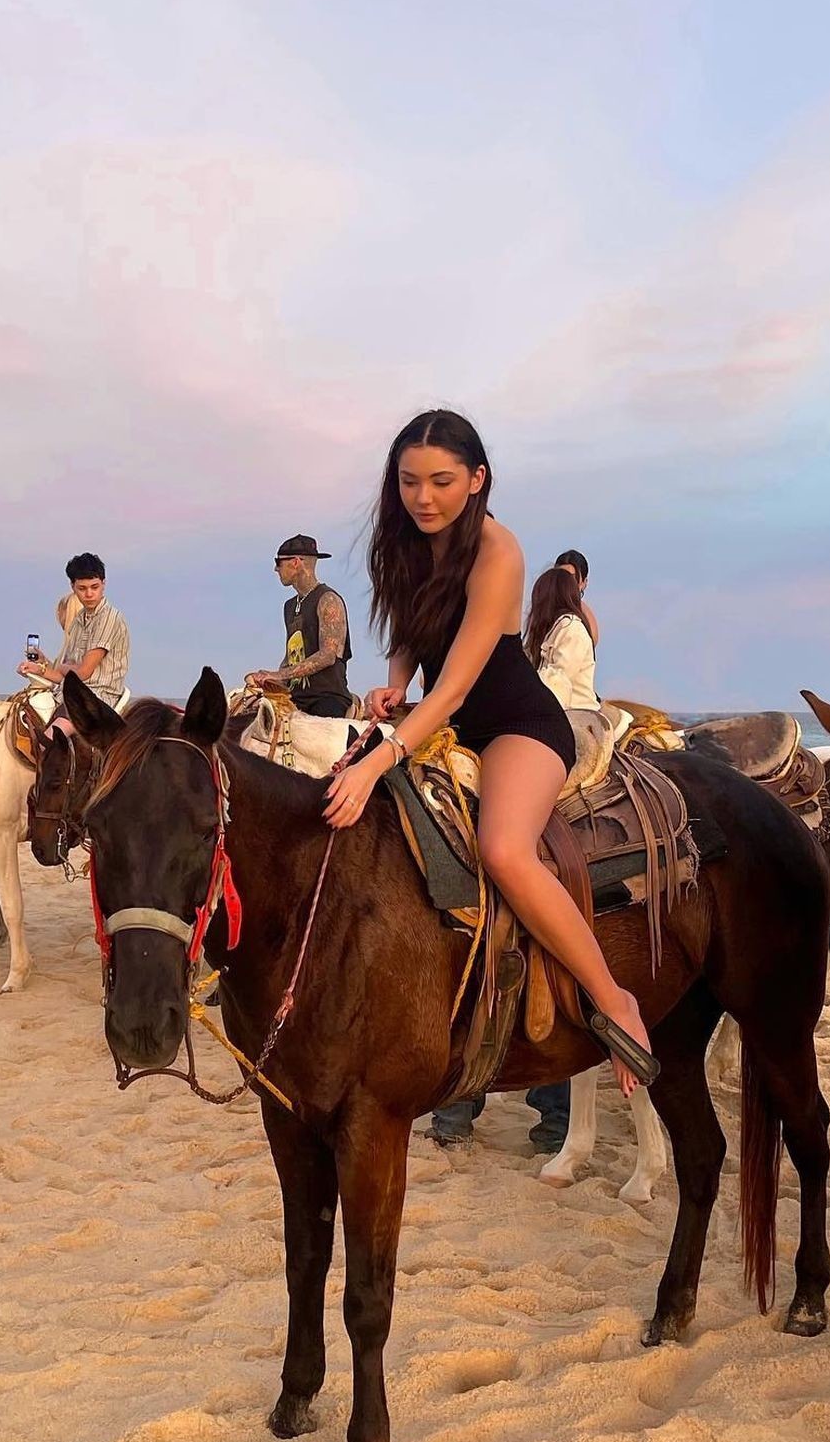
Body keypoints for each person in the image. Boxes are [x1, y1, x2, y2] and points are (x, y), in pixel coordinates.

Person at [323, 409, 656, 1110]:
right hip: (443, 720)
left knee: (504, 850)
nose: (423, 497)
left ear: (477, 479)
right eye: (409, 481)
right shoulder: (409, 540)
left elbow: (456, 686)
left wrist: (380, 757)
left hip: (515, 724)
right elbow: (412, 631)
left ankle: (612, 997)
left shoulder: (498, 551)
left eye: (442, 482)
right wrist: (394, 683)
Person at [248, 535, 354, 717]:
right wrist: (268, 679)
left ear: (296, 562)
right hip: (295, 698)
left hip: (326, 698)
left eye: (279, 562)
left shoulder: (328, 599)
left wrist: (279, 675)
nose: (276, 568)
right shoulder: (289, 606)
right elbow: (292, 655)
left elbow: (328, 655)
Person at [19, 553, 131, 714]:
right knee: (24, 713)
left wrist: (62, 668)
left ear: (103, 584)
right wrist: (40, 667)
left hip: (98, 698)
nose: (89, 594)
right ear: (73, 587)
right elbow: (66, 677)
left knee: (53, 726)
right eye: (82, 588)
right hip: (71, 694)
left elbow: (83, 673)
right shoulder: (79, 620)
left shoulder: (109, 618)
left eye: (94, 587)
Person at [527, 562, 600, 712]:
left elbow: (559, 682)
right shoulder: (549, 630)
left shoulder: (571, 628)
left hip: (576, 712)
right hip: (555, 710)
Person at [554, 549, 600, 652]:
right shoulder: (545, 609)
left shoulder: (584, 617)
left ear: (584, 583)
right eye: (561, 577)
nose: (566, 583)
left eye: (572, 578)